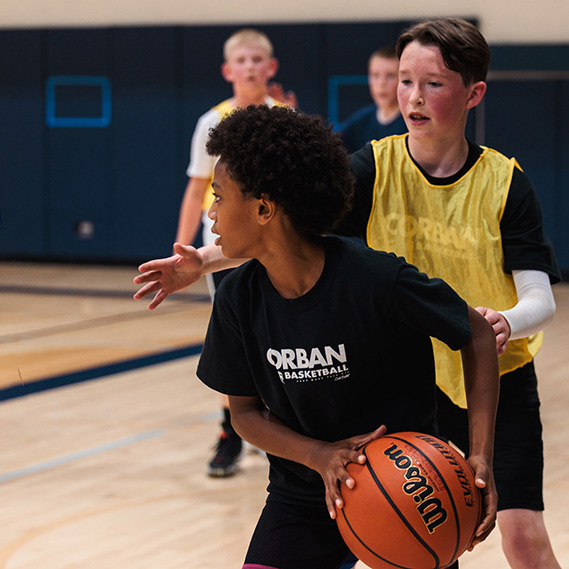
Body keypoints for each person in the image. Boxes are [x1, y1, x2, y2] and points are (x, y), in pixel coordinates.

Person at [135, 104, 500, 569]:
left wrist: (480, 455)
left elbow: (477, 334)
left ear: (264, 208)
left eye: (221, 197)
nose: (212, 214)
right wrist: (319, 455)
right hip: (302, 494)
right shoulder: (237, 299)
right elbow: (245, 414)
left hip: (409, 484)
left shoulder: (374, 279)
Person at [339, 17, 561, 569]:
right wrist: (204, 260)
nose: (414, 97)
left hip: (499, 377)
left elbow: (542, 297)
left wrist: (507, 319)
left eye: (433, 84)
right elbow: (288, 231)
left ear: (473, 93)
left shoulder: (506, 182)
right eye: (405, 80)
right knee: (418, 542)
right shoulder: (370, 167)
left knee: (523, 538)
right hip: (409, 380)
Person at [175, 28, 294, 478]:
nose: (248, 67)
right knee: (236, 341)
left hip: (276, 244)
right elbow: (195, 189)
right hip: (225, 247)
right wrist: (184, 247)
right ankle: (232, 430)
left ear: (270, 67)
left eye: (255, 60)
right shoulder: (212, 122)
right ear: (228, 70)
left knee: (281, 335)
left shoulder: (284, 117)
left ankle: (281, 425)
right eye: (240, 61)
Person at [336, 46, 406, 154]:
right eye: (375, 75)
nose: (382, 84)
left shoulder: (411, 122)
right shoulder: (361, 121)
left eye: (390, 76)